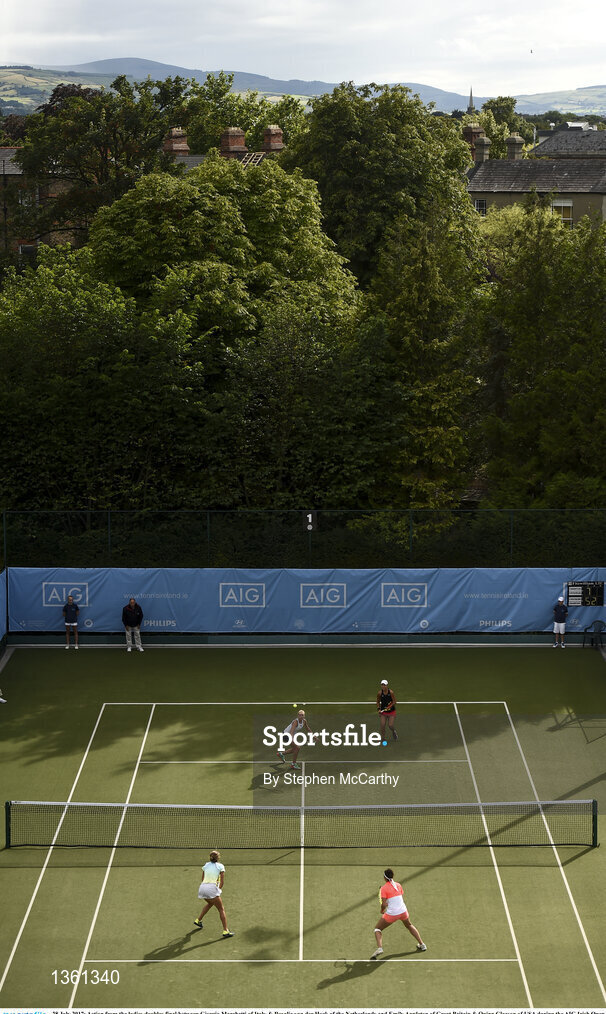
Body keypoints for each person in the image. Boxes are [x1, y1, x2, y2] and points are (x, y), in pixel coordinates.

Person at [371, 868, 426, 959]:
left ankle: (380, 948)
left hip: (392, 914)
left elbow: (384, 904)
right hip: (403, 911)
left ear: (384, 878)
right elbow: (396, 898)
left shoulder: (384, 888)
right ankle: (422, 944)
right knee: (409, 925)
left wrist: (382, 910)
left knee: (377, 929)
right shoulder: (398, 885)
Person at [193, 849, 234, 938]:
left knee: (210, 903)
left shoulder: (206, 865)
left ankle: (198, 920)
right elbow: (222, 882)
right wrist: (217, 890)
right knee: (221, 909)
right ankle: (225, 931)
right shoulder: (220, 866)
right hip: (211, 889)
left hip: (202, 888)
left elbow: (203, 878)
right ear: (218, 858)